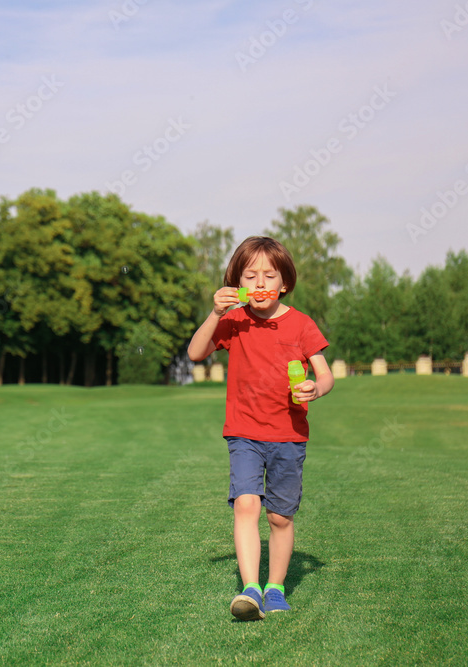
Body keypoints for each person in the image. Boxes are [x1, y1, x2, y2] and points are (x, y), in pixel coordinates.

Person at [187, 236, 334, 621]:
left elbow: (325, 374)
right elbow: (195, 352)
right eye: (250, 276)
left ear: (284, 282)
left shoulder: (301, 324)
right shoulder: (234, 321)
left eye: (269, 275)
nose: (260, 283)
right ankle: (250, 588)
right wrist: (214, 314)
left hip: (288, 434)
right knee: (247, 505)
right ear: (238, 284)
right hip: (244, 432)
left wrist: (315, 388)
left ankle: (276, 587)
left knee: (280, 518)